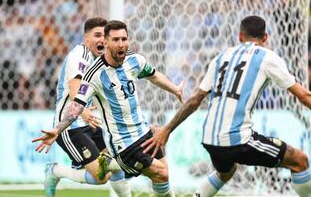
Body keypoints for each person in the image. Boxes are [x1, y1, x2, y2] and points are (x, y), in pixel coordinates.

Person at [142, 15, 311, 197]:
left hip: (210, 138)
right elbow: (304, 95)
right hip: (238, 139)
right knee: (299, 160)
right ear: (265, 38)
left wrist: (167, 130)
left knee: (226, 172)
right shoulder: (268, 57)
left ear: (240, 37)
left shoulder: (220, 58)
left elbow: (195, 100)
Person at [32, 20, 185, 197]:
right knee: (152, 173)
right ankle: (56, 171)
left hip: (129, 129)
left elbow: (154, 75)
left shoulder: (134, 60)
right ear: (106, 42)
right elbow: (77, 99)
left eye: (124, 39)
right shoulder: (89, 68)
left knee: (160, 172)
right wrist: (58, 129)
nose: (121, 44)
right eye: (115, 40)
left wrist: (175, 89)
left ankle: (111, 163)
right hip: (110, 137)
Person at [41, 17, 131, 197]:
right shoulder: (79, 55)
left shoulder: (102, 61)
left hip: (91, 123)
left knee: (118, 162)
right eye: (96, 35)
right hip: (70, 126)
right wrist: (85, 111)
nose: (101, 40)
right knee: (101, 176)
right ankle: (55, 171)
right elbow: (75, 89)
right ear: (86, 38)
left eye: (103, 36)